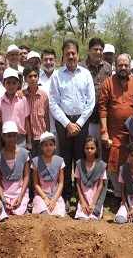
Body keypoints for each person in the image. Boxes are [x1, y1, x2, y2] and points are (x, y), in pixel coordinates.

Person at [50, 39, 95, 206]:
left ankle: (81, 193)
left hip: (81, 122)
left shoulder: (85, 74)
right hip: (64, 122)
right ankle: (66, 194)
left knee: (81, 158)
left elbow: (91, 102)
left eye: (73, 53)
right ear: (63, 56)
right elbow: (53, 102)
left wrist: (79, 123)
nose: (71, 56)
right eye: (67, 53)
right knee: (66, 159)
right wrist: (67, 123)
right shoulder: (57, 75)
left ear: (78, 54)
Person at [99, 53, 133, 198]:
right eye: (120, 65)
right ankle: (118, 193)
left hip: (132, 133)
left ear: (130, 67)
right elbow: (103, 108)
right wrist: (104, 131)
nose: (123, 67)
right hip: (113, 131)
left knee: (130, 162)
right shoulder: (108, 82)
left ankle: (129, 193)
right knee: (113, 163)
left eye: (126, 65)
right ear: (115, 66)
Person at [80, 38, 112, 153]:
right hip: (85, 118)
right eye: (95, 49)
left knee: (102, 151)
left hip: (103, 117)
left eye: (100, 49)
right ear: (89, 50)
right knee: (87, 149)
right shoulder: (81, 67)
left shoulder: (107, 68)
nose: (98, 52)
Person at [0, 121, 30, 216]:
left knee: (19, 214)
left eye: (14, 135)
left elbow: (26, 176)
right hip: (5, 193)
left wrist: (21, 196)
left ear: (17, 136)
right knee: (2, 216)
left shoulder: (24, 153)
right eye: (9, 136)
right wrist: (3, 199)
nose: (11, 138)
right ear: (3, 137)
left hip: (20, 192)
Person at [31, 132, 66, 216]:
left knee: (58, 213)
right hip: (41, 195)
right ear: (41, 147)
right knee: (43, 211)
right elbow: (35, 184)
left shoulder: (60, 161)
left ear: (55, 146)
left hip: (55, 195)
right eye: (45, 145)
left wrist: (54, 199)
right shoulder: (36, 161)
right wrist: (45, 198)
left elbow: (61, 183)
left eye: (51, 144)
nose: (48, 147)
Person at [74, 136, 107, 220]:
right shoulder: (79, 164)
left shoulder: (101, 165)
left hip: (95, 198)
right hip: (83, 197)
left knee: (93, 218)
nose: (89, 150)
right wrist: (83, 201)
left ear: (96, 149)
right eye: (87, 148)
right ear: (83, 149)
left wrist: (93, 203)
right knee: (82, 218)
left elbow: (100, 186)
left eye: (92, 148)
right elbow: (77, 183)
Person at [0, 68, 30, 148]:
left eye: (14, 83)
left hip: (20, 138)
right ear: (3, 84)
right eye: (8, 83)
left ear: (18, 84)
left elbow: (26, 121)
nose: (11, 86)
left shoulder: (22, 99)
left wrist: (29, 141)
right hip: (6, 138)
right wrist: (0, 144)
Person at [24, 66, 49, 157]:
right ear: (25, 79)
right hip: (27, 138)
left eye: (35, 76)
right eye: (30, 76)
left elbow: (46, 118)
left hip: (41, 136)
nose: (33, 79)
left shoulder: (44, 95)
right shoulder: (22, 96)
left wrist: (47, 135)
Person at [39, 49, 57, 135]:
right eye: (45, 60)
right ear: (41, 61)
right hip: (40, 126)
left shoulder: (60, 76)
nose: (48, 62)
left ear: (55, 60)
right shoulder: (36, 77)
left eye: (51, 59)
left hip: (59, 125)